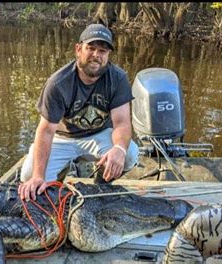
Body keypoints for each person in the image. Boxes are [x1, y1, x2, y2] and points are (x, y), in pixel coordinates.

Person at [18, 24, 139, 201]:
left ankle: (101, 184)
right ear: (78, 49)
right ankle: (56, 185)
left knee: (129, 155)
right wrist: (38, 176)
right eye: (91, 48)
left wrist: (119, 148)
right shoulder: (58, 83)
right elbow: (46, 131)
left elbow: (121, 122)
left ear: (108, 55)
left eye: (102, 51)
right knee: (30, 176)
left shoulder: (118, 78)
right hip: (63, 137)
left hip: (98, 134)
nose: (96, 55)